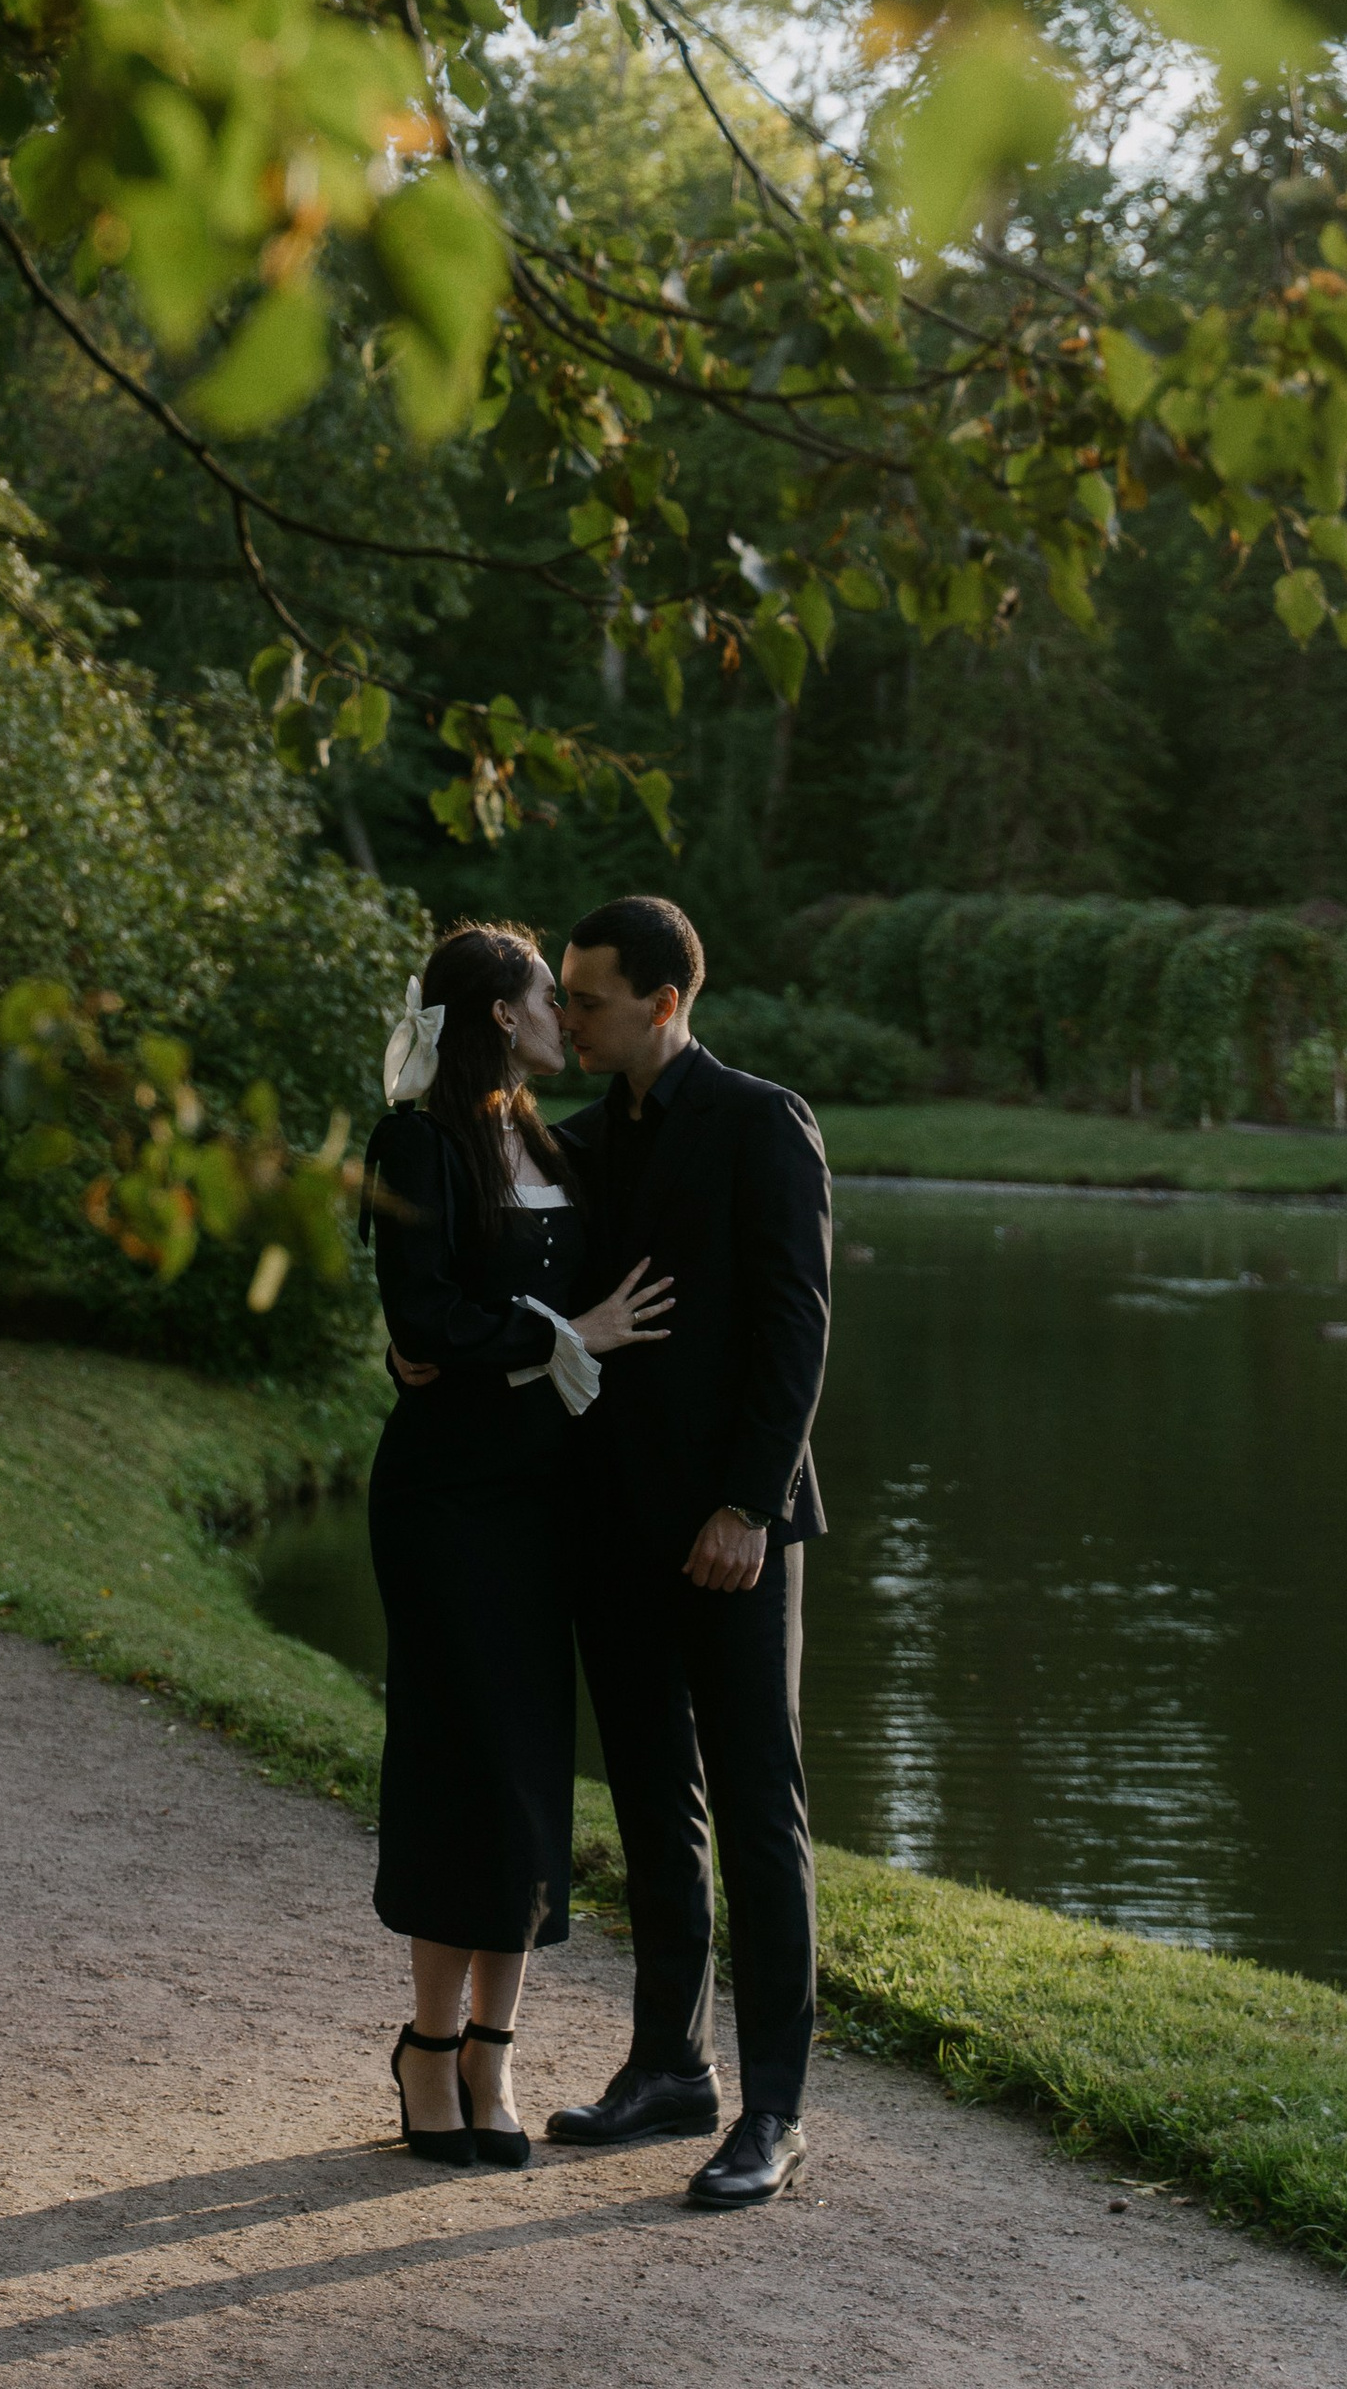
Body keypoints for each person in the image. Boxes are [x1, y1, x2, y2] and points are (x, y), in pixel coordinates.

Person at [364, 920, 675, 2171]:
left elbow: (458, 1330)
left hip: (551, 1503)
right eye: (552, 994)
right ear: (501, 1012)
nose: (568, 1014)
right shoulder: (417, 1142)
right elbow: (421, 1309)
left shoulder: (559, 1144)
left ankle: (495, 2052)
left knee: (532, 1773)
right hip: (446, 1507)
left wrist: (527, 1342)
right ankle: (426, 2054)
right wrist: (569, 1333)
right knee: (460, 1765)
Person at [542, 893, 831, 2212]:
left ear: (664, 1003)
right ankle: (671, 2068)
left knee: (759, 1814)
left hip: (735, 1537)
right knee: (656, 1805)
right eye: (558, 994)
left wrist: (747, 1508)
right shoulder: (588, 1142)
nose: (566, 1016)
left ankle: (772, 2107)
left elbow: (797, 1334)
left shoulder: (763, 1123)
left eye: (586, 997)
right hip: (614, 1526)